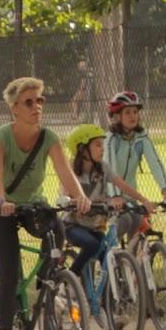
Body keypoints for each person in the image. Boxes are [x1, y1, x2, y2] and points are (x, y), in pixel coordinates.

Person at [0, 77, 89, 330]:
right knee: (8, 271)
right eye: (29, 102)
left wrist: (80, 197)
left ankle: (49, 286)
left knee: (56, 229)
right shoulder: (0, 138)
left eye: (40, 101)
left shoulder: (49, 138)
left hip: (31, 203)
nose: (36, 107)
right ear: (14, 108)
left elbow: (65, 173)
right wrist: (0, 201)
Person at [64, 123, 146, 293]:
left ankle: (106, 302)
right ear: (82, 148)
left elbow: (123, 186)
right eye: (98, 145)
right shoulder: (71, 170)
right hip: (72, 226)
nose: (102, 149)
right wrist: (73, 203)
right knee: (92, 244)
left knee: (108, 260)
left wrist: (144, 201)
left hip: (95, 227)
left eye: (103, 144)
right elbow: (64, 194)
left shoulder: (103, 168)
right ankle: (70, 277)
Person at [104, 92, 166, 239]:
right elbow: (110, 169)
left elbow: (155, 162)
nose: (132, 116)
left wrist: (165, 190)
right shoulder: (111, 139)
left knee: (137, 222)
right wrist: (115, 196)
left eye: (135, 112)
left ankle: (130, 259)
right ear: (117, 116)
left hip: (130, 195)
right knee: (125, 221)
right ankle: (108, 256)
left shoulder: (141, 137)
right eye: (127, 112)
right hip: (107, 194)